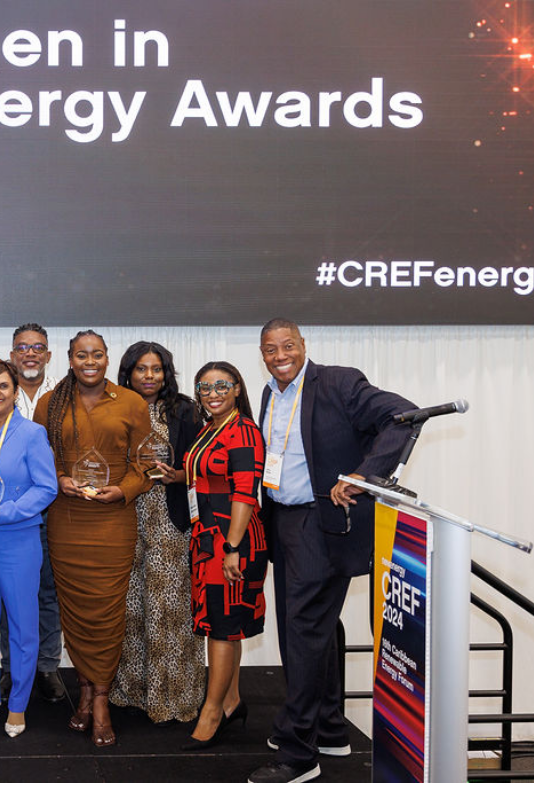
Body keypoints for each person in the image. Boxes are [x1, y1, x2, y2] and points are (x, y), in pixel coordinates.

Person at [248, 319, 415, 784]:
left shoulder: (339, 381)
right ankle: (329, 728)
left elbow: (404, 416)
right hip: (283, 521)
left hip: (320, 523)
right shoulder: (271, 394)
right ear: (262, 354)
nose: (279, 355)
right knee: (313, 628)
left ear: (303, 346)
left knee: (302, 632)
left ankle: (298, 754)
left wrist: (363, 475)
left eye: (288, 345)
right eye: (270, 348)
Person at [34, 330, 153, 747]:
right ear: (69, 359)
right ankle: (84, 692)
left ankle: (100, 698)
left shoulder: (131, 403)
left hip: (113, 523)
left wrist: (125, 490)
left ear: (107, 358)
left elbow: (145, 463)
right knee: (75, 611)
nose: (90, 361)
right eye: (81, 355)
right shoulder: (50, 403)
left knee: (106, 611)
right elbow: (40, 457)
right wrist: (59, 478)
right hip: (67, 522)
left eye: (97, 355)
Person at [0, 358, 59, 739]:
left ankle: (17, 704)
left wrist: (7, 512)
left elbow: (46, 488)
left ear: (15, 391)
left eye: (3, 386)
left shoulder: (32, 434)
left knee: (22, 626)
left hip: (16, 538)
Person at [110, 341, 206, 725]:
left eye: (156, 369)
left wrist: (181, 475)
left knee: (170, 609)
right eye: (141, 369)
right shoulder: (114, 405)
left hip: (169, 517)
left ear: (167, 373)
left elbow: (205, 462)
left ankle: (174, 694)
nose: (149, 376)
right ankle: (133, 689)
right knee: (131, 607)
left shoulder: (185, 409)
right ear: (128, 373)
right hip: (125, 516)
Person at [180, 361, 267, 752]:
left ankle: (212, 712)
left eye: (221, 386)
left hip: (233, 543)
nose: (212, 393)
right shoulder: (209, 429)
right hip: (207, 539)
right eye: (204, 388)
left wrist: (232, 547)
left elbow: (246, 494)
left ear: (236, 389)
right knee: (224, 623)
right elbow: (204, 479)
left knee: (220, 625)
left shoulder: (244, 431)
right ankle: (231, 701)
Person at [0, 324, 65, 703]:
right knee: (10, 593)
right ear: (13, 354)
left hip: (58, 510)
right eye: (23, 347)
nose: (30, 354)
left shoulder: (65, 393)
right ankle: (10, 668)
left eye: (38, 347)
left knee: (48, 591)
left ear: (49, 355)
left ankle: (48, 666)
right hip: (10, 515)